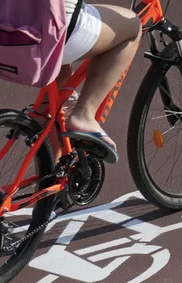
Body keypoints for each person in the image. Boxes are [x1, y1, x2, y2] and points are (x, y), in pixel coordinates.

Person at [49, 1, 142, 164]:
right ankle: (83, 115)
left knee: (58, 87)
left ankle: (40, 124)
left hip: (2, 26)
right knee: (133, 26)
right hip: (52, 27)